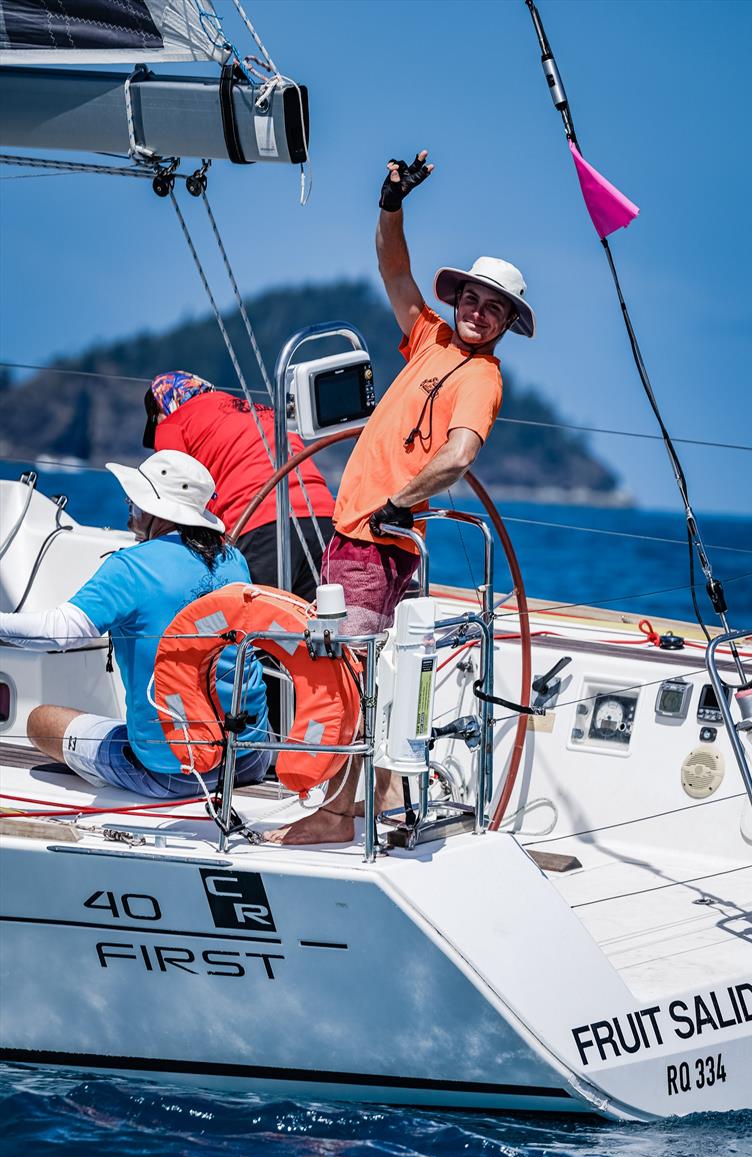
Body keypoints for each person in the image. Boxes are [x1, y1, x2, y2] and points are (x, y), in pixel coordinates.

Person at [263, 149, 536, 846]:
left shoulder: (482, 379)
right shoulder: (431, 340)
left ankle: (336, 812)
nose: (478, 313)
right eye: (472, 299)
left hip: (374, 540)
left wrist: (399, 501)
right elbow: (393, 269)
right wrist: (391, 202)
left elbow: (460, 453)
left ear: (506, 322)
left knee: (348, 677)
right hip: (358, 533)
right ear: (458, 301)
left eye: (493, 308)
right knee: (356, 668)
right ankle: (367, 794)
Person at [0, 450, 271, 799]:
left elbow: (60, 631)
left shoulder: (131, 567)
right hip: (250, 757)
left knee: (41, 720)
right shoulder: (233, 560)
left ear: (156, 509)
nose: (129, 503)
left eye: (135, 497)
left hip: (173, 771)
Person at [144, 371, 336, 600]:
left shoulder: (174, 422)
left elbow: (169, 497)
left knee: (254, 627)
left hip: (259, 526)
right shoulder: (259, 410)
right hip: (324, 520)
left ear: (162, 407)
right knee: (315, 623)